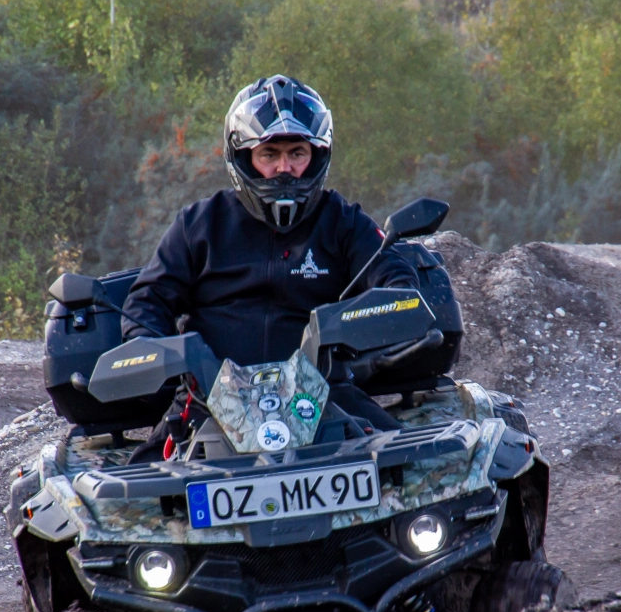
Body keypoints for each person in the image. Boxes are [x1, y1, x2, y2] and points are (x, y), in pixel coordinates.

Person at [122, 75, 420, 462]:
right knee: (124, 509)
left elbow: (397, 281)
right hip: (208, 402)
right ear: (244, 157)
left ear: (318, 154)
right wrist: (167, 354)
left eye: (297, 153)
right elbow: (146, 301)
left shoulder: (342, 221)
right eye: (269, 154)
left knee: (424, 471)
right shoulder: (200, 224)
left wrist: (356, 325)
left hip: (324, 394)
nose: (285, 168)